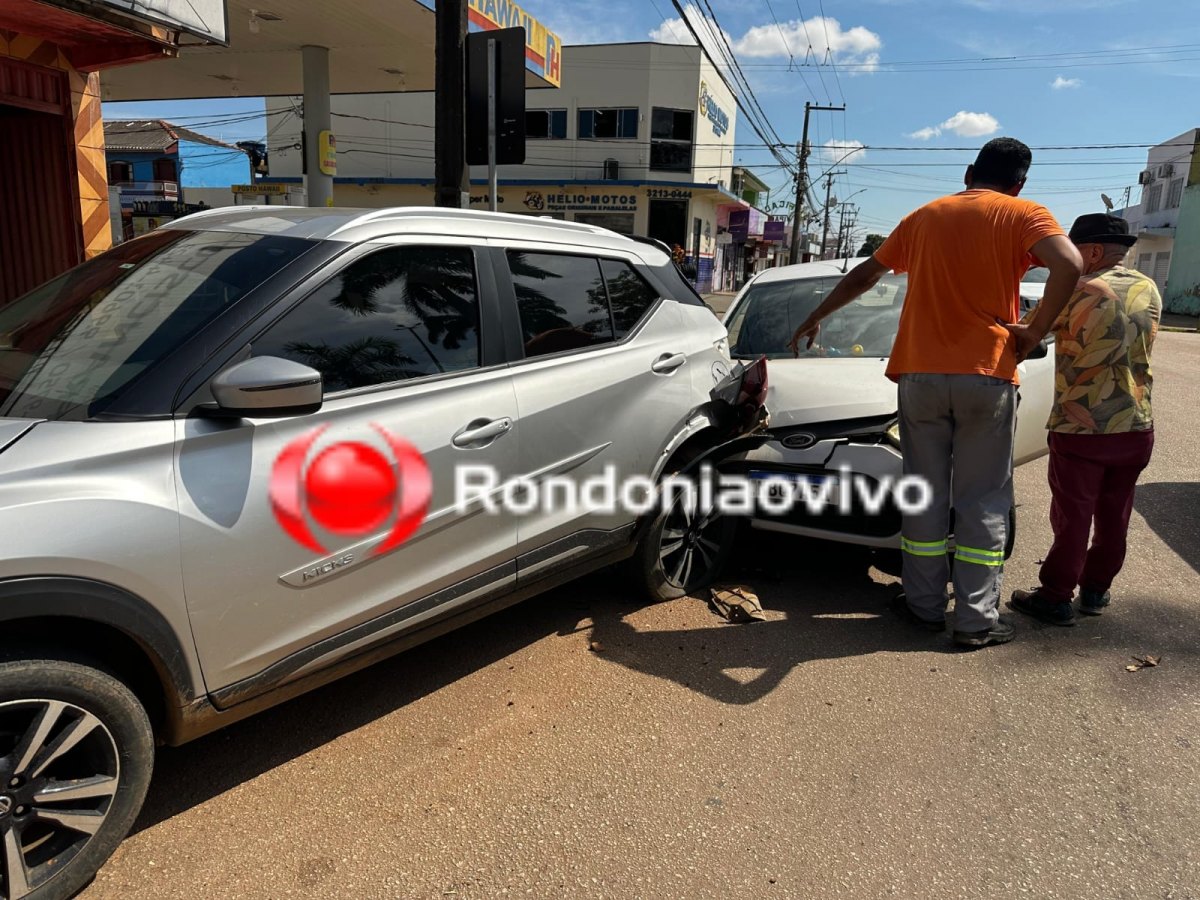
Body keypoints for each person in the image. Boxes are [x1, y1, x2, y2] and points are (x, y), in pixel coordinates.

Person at [787, 137, 1083, 648]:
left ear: (969, 173)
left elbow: (865, 274)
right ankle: (975, 620)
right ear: (1019, 183)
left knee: (923, 493)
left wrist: (816, 317)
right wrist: (1034, 330)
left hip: (920, 375)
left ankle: (923, 606)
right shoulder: (1024, 213)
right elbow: (1071, 264)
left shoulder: (923, 216)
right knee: (982, 499)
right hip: (986, 374)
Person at [1008, 214, 1161, 626]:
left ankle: (1056, 596)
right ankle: (1096, 590)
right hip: (1135, 423)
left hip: (1083, 425)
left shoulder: (1075, 288)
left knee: (1073, 515)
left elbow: (1025, 334)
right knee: (1115, 514)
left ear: (1092, 252)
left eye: (1072, 251)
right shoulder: (1148, 287)